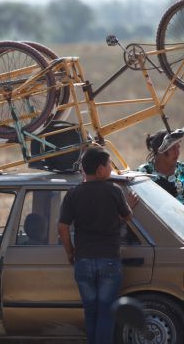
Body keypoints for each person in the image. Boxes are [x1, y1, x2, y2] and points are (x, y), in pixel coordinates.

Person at [58, 147, 138, 344]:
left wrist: (70, 253)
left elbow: (62, 227)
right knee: (106, 314)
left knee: (91, 313)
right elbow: (127, 217)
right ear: (101, 169)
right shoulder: (114, 191)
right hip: (109, 261)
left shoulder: (73, 194)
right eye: (109, 164)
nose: (111, 168)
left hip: (83, 261)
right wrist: (128, 206)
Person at [137, 128, 184, 218]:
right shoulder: (143, 173)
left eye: (178, 147)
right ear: (160, 150)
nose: (177, 153)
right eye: (173, 148)